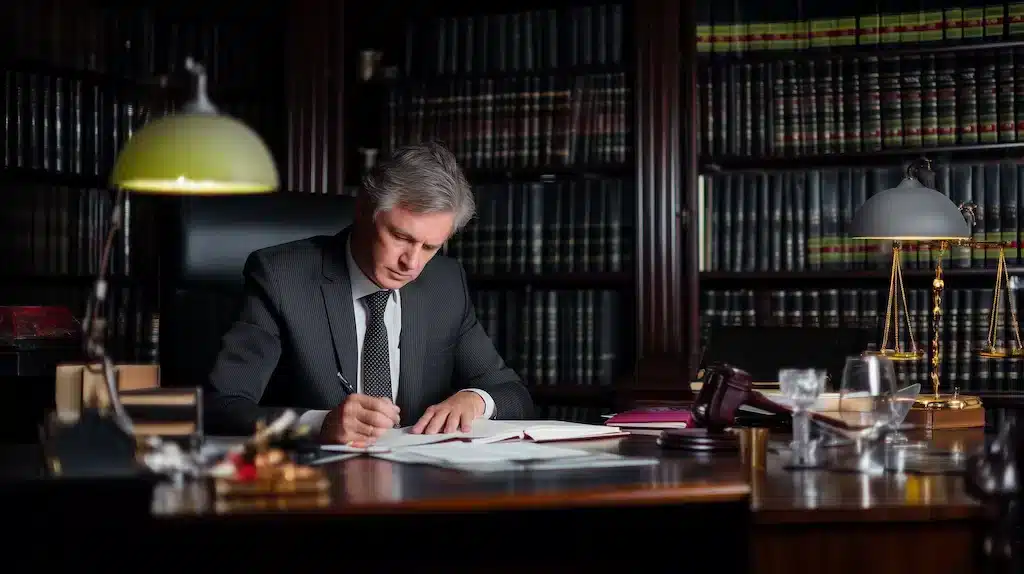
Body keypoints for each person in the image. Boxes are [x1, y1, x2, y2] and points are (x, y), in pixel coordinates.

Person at [206, 142, 533, 444]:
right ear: (364, 209)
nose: (412, 263)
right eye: (401, 237)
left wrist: (475, 400)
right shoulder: (281, 278)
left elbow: (511, 391)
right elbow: (222, 406)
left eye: (430, 247)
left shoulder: (445, 284)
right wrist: (320, 423)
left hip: (419, 484)